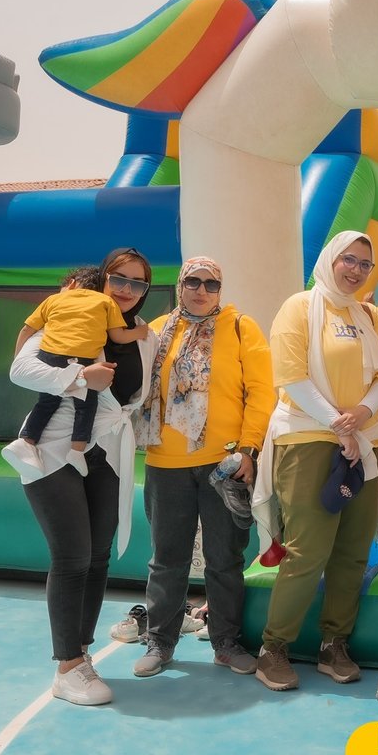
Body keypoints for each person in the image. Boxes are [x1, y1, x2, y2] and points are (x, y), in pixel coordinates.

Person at [9, 247, 158, 707]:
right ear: (103, 278)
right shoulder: (70, 317)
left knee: (97, 557)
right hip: (54, 448)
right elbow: (20, 369)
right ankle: (67, 666)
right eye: (120, 278)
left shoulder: (145, 337)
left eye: (138, 283)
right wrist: (79, 379)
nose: (127, 289)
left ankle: (81, 654)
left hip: (107, 452)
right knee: (72, 556)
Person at [255, 231, 378, 691]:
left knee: (354, 551)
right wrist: (341, 426)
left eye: (365, 264)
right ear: (330, 260)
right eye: (348, 260)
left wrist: (361, 416)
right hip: (308, 438)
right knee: (308, 550)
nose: (356, 270)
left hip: (366, 439)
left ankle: (334, 643)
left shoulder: (370, 315)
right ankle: (273, 648)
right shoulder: (298, 307)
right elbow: (291, 376)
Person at [128, 256, 273, 680]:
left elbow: (262, 391)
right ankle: (160, 641)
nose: (201, 290)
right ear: (180, 284)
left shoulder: (241, 327)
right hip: (165, 462)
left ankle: (225, 642)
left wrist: (248, 449)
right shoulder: (156, 330)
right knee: (167, 559)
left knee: (224, 558)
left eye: (212, 284)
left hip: (223, 464)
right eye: (193, 281)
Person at [7, 265, 150, 477]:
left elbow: (26, 329)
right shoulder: (105, 302)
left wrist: (18, 354)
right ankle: (77, 451)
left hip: (50, 355)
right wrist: (140, 332)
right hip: (80, 362)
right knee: (86, 406)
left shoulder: (54, 301)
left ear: (72, 284)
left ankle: (26, 441)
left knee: (46, 403)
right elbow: (118, 336)